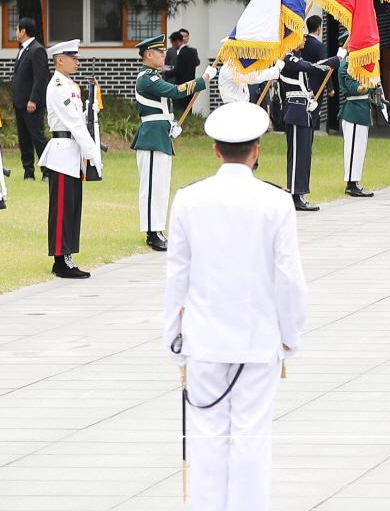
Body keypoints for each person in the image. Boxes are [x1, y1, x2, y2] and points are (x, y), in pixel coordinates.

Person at [163, 101, 308, 511]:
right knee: (251, 437)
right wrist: (289, 337)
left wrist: (172, 337)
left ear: (215, 150)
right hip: (257, 338)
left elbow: (177, 276)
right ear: (256, 149)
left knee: (206, 436)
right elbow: (290, 279)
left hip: (205, 339)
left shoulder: (189, 199)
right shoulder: (276, 201)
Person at [40, 39, 102, 279]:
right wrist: (93, 153)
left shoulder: (70, 85)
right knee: (63, 208)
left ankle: (67, 255)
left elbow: (82, 118)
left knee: (73, 208)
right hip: (63, 152)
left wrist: (92, 107)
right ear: (60, 60)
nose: (77, 61)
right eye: (72, 58)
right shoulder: (57, 85)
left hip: (72, 153)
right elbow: (74, 124)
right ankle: (60, 259)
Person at [134, 34, 199, 248]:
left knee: (161, 186)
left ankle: (158, 228)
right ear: (149, 55)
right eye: (160, 53)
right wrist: (202, 81)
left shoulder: (154, 76)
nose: (164, 55)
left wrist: (172, 124)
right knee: (152, 186)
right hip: (151, 136)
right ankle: (152, 232)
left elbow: (164, 107)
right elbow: (173, 92)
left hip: (160, 134)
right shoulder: (147, 78)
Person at [274, 52, 321, 211]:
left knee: (304, 155)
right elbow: (310, 67)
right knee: (297, 156)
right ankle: (295, 194)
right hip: (295, 111)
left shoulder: (296, 58)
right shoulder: (288, 59)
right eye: (301, 36)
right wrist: (337, 58)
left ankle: (300, 194)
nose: (304, 38)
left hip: (303, 112)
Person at [336, 51, 381, 198]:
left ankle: (355, 181)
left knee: (360, 149)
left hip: (362, 109)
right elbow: (353, 88)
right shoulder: (347, 64)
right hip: (353, 110)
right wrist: (370, 84)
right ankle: (351, 183)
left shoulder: (358, 63)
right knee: (353, 149)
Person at [9, 16, 47, 180]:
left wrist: (33, 99)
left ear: (23, 31)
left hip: (31, 103)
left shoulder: (37, 49)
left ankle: (47, 171)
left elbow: (40, 77)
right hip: (20, 102)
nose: (15, 32)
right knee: (24, 139)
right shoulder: (23, 49)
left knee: (37, 137)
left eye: (17, 29)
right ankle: (28, 172)